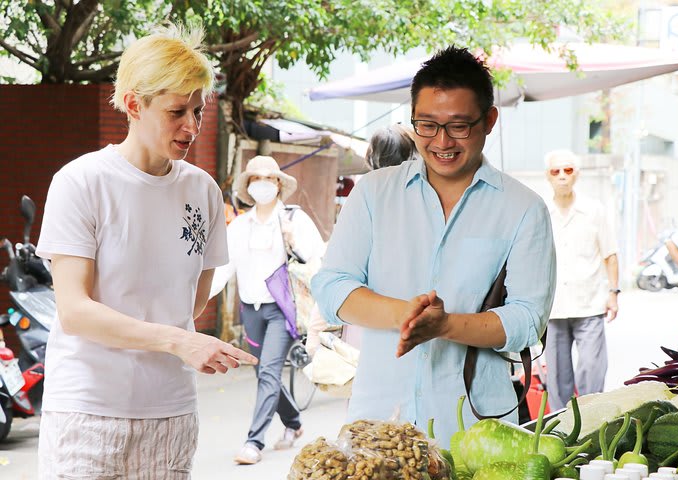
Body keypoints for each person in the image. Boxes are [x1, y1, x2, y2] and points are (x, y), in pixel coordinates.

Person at [34, 24, 257, 479]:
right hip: (87, 409)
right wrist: (178, 340)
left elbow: (191, 301)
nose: (191, 126)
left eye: (197, 110)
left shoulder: (203, 190)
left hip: (171, 413)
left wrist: (180, 336)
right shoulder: (81, 182)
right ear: (134, 104)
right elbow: (74, 311)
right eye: (177, 111)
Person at [311, 46, 556, 448]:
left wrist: (444, 325)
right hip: (379, 424)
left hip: (479, 432)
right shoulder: (374, 194)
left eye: (459, 126)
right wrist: (404, 314)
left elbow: (529, 320)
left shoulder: (523, 208)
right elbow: (332, 287)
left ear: (489, 120)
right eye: (426, 125)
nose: (441, 142)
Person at [210, 155, 324, 465]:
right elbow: (224, 268)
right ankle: (295, 423)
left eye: (269, 178)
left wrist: (292, 241)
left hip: (281, 310)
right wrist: (197, 301)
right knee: (263, 371)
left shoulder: (293, 219)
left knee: (270, 370)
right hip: (251, 309)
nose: (263, 184)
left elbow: (315, 258)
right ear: (248, 185)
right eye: (256, 179)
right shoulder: (240, 225)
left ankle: (253, 442)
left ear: (278, 184)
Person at [543, 149, 620, 412]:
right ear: (548, 176)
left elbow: (610, 254)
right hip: (553, 308)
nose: (562, 176)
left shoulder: (594, 210)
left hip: (590, 305)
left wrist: (614, 293)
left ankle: (592, 426)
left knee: (592, 373)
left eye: (568, 170)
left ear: (577, 174)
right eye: (556, 171)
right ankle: (560, 433)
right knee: (557, 379)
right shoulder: (541, 212)